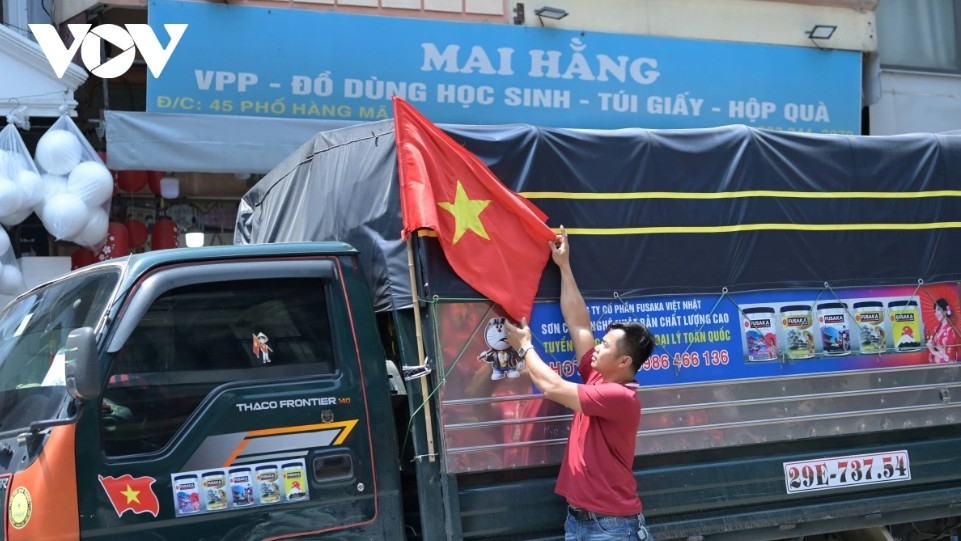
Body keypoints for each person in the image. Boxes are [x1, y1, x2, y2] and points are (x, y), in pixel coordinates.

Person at [505, 226, 656, 541]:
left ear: (624, 362)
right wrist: (563, 265)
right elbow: (578, 322)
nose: (597, 347)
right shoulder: (599, 374)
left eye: (605, 345)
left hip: (610, 527)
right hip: (580, 521)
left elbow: (553, 388)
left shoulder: (620, 397)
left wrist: (524, 347)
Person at [927, 298, 959, 364]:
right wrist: (934, 346)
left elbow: (948, 357)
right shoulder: (937, 329)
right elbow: (939, 351)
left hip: (946, 370)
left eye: (938, 310)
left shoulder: (951, 331)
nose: (936, 313)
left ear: (945, 311)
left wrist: (932, 350)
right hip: (935, 368)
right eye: (935, 311)